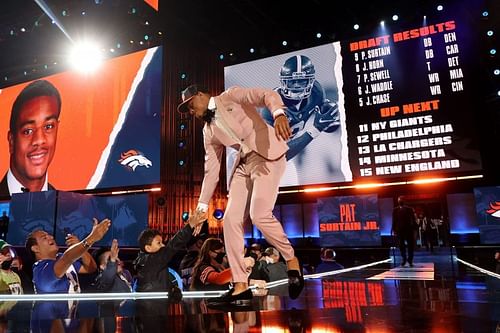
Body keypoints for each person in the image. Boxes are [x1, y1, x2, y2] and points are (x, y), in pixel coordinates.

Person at [177, 84, 304, 305]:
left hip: (267, 156)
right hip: (243, 165)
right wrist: (201, 207)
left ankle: (291, 260)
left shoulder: (231, 96)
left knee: (259, 215)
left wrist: (279, 114)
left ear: (200, 95)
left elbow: (266, 94)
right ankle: (240, 285)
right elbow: (211, 171)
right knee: (230, 220)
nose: (190, 111)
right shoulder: (208, 131)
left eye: (190, 105)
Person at [258, 55, 344, 185]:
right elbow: (278, 155)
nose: (296, 86)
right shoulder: (269, 109)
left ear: (310, 81)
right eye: (292, 81)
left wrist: (331, 117)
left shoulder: (316, 92)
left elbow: (327, 122)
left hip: (290, 155)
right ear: (283, 82)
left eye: (301, 81)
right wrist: (315, 130)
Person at [0, 80, 62, 197]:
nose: (39, 140)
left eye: (48, 126)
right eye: (28, 131)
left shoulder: (69, 210)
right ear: (12, 141)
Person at [25, 217, 111, 293]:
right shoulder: (40, 269)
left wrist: (79, 246)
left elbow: (90, 268)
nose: (51, 237)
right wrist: (91, 239)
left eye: (49, 235)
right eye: (44, 237)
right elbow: (67, 258)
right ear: (35, 248)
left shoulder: (60, 258)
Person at [133, 208, 206, 293]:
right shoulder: (150, 261)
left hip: (156, 304)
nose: (163, 245)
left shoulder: (151, 262)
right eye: (159, 243)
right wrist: (190, 226)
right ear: (148, 248)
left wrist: (173, 290)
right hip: (151, 305)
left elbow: (159, 282)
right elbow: (172, 246)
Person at [391, 196, 418, 267]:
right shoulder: (395, 210)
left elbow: (413, 219)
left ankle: (410, 260)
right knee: (401, 245)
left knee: (410, 245)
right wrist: (393, 229)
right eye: (399, 200)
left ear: (404, 201)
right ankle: (404, 259)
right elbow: (394, 220)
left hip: (409, 229)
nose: (400, 201)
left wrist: (415, 228)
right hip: (399, 230)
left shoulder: (409, 209)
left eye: (401, 200)